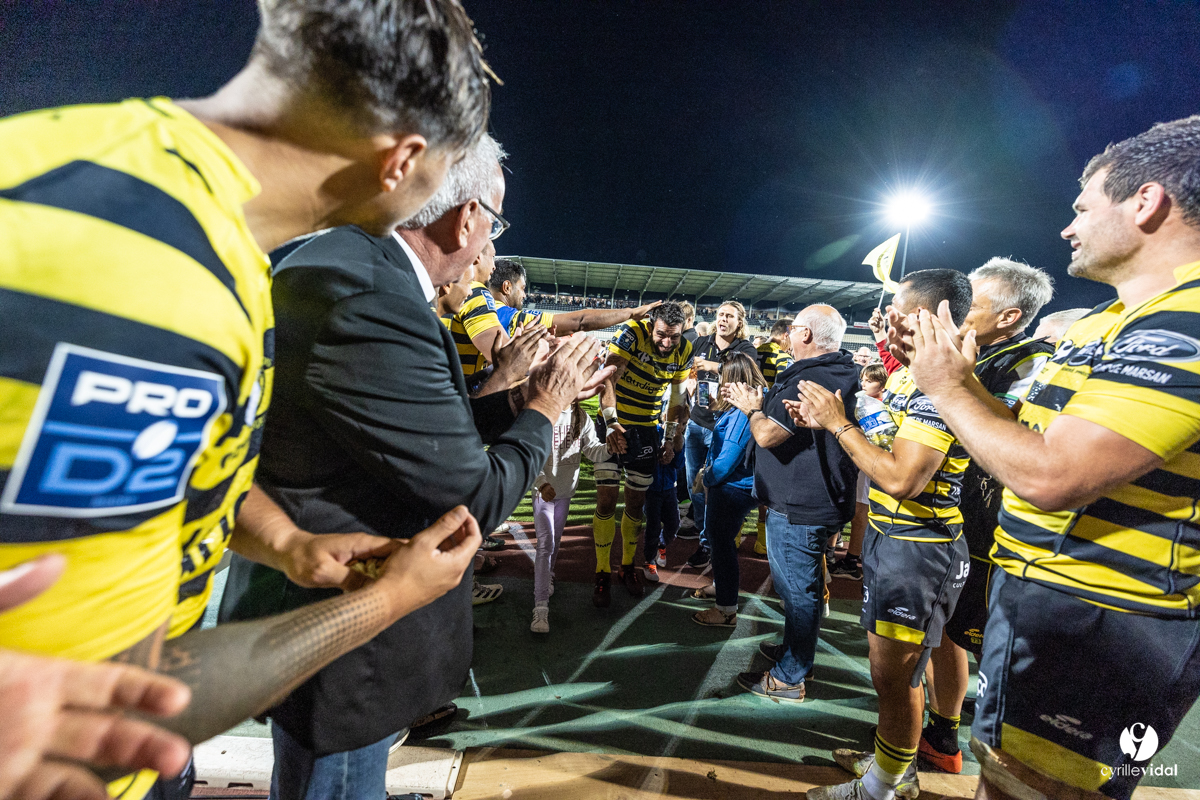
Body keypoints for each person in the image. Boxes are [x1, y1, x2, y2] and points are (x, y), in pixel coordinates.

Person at [0, 2, 490, 797]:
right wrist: (387, 603)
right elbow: (97, 694)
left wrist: (286, 542)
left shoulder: (173, 217)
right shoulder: (136, 264)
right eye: (454, 169)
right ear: (402, 160)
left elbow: (168, 479)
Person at [219, 134, 608, 800]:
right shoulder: (376, 296)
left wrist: (505, 396)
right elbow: (473, 499)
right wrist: (546, 405)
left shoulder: (345, 259)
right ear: (467, 218)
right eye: (496, 219)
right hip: (346, 631)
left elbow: (400, 435)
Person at [896, 116, 1200, 800]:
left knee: (1036, 788)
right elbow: (1029, 439)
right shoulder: (1106, 321)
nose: (1069, 228)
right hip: (1043, 603)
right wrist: (960, 379)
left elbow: (1052, 474)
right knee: (1005, 774)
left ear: (1146, 202)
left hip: (1106, 624)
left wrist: (944, 385)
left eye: (1083, 208)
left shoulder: (1187, 321)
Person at [793, 270, 974, 800]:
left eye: (897, 305)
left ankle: (883, 788)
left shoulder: (937, 383)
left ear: (923, 314)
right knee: (888, 675)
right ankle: (890, 767)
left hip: (919, 550)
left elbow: (903, 479)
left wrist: (838, 423)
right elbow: (889, 442)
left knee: (896, 677)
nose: (885, 314)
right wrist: (828, 420)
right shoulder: (904, 375)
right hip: (891, 540)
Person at [920, 258, 1054, 775]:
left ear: (1009, 317)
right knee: (949, 633)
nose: (954, 311)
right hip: (964, 522)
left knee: (1000, 650)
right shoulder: (971, 352)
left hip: (1006, 536)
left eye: (970, 304)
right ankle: (941, 734)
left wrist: (952, 381)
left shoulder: (1033, 361)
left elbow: (1020, 428)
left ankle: (1012, 759)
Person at [722, 305, 858, 699]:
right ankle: (795, 654)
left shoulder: (811, 377)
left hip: (800, 504)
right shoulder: (836, 369)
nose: (786, 336)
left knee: (798, 591)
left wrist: (751, 407)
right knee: (804, 587)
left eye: (793, 328)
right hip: (814, 498)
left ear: (807, 335)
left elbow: (767, 436)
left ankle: (791, 675)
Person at [593, 302, 693, 606]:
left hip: (648, 429)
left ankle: (626, 566)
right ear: (651, 326)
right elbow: (609, 377)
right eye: (662, 335)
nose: (667, 343)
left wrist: (670, 437)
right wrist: (611, 424)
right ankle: (601, 571)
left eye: (673, 337)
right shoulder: (632, 333)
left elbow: (677, 397)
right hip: (613, 422)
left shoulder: (684, 350)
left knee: (636, 502)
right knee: (607, 498)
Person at [689, 352, 768, 627]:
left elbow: (726, 461)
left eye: (725, 378)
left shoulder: (742, 416)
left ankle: (725, 609)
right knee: (722, 542)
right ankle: (721, 587)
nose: (722, 384)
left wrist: (706, 478)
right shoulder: (756, 402)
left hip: (732, 487)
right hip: (744, 485)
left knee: (721, 544)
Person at [683, 301, 759, 570]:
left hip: (726, 425)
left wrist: (713, 366)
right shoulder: (701, 342)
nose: (724, 319)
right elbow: (691, 371)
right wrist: (692, 383)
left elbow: (749, 375)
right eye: (720, 315)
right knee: (696, 486)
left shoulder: (745, 349)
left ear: (740, 322)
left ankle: (714, 542)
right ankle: (705, 538)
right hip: (697, 422)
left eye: (730, 316)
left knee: (716, 484)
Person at [531, 399, 610, 633]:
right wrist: (542, 484)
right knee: (545, 544)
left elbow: (593, 450)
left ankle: (549, 576)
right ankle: (540, 607)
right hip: (543, 494)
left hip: (565, 492)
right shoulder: (544, 412)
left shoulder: (581, 417)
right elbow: (532, 454)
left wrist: (610, 448)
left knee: (554, 543)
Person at [488, 258, 661, 334]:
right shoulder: (510, 317)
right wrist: (630, 313)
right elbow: (580, 321)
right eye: (523, 288)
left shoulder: (476, 306)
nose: (525, 295)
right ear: (507, 287)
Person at [829, 362, 888, 582]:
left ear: (882, 385)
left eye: (870, 380)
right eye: (862, 378)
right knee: (847, 504)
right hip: (858, 459)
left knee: (860, 510)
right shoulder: (865, 399)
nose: (863, 383)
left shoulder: (878, 405)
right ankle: (833, 551)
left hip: (868, 460)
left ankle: (852, 560)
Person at [753, 318, 795, 553]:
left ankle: (735, 535)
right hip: (768, 423)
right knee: (766, 482)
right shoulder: (784, 358)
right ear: (786, 335)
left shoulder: (753, 351)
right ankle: (761, 540)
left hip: (744, 418)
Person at [642, 423, 685, 583]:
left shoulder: (679, 438)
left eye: (684, 423)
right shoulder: (654, 432)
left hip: (669, 489)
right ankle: (649, 561)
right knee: (652, 526)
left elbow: (679, 465)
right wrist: (658, 457)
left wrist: (676, 451)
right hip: (651, 489)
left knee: (674, 523)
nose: (681, 426)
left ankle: (662, 543)